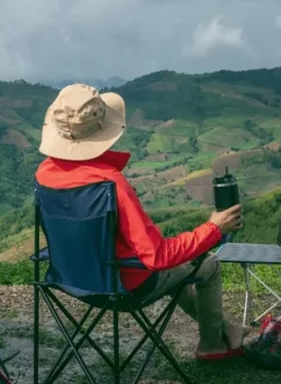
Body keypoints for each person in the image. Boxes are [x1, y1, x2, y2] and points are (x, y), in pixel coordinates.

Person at [35, 83, 248, 360]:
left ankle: (228, 328)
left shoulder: (44, 174)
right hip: (124, 288)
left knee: (178, 270)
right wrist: (214, 228)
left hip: (71, 279)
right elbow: (157, 257)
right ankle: (211, 345)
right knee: (207, 265)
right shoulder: (110, 184)